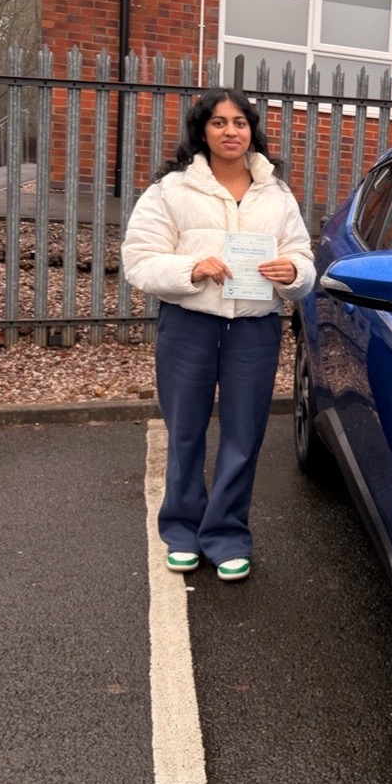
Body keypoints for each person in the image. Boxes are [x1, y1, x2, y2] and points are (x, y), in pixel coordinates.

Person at [121, 87, 315, 582]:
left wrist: (292, 272)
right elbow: (139, 260)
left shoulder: (277, 193)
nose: (231, 131)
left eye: (240, 122)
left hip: (254, 330)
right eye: (219, 122)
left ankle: (227, 535)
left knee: (243, 436)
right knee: (185, 432)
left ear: (252, 130)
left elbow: (303, 258)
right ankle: (183, 532)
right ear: (202, 131)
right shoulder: (172, 191)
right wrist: (192, 268)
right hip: (190, 325)